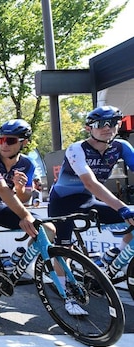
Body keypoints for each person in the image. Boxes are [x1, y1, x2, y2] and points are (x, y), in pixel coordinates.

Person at [0, 120, 59, 312]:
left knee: (48, 230)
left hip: (0, 207)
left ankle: (21, 258)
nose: (4, 144)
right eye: (1, 140)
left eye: (10, 140)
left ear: (24, 142)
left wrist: (19, 187)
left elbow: (23, 197)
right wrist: (25, 215)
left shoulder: (27, 164)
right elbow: (0, 189)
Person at [49, 106, 134, 306]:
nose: (107, 128)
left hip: (88, 200)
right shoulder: (76, 148)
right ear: (89, 128)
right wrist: (121, 207)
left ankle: (113, 256)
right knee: (64, 248)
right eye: (101, 124)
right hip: (63, 202)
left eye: (112, 122)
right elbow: (90, 183)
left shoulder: (121, 146)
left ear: (119, 124)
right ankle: (65, 294)